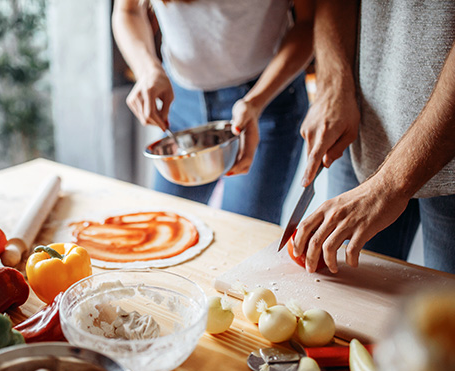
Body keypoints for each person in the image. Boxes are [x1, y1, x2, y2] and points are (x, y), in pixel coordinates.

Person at [112, 0, 314, 224]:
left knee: (242, 234)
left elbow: (309, 22)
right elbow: (127, 10)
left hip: (266, 99)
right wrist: (148, 69)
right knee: (166, 223)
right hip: (181, 100)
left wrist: (256, 101)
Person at [293, 0, 455, 274]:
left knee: (446, 308)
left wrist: (389, 184)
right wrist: (333, 84)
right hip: (363, 129)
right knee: (344, 283)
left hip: (449, 154)